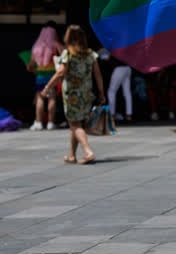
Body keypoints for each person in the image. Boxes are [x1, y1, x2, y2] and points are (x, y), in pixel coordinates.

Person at [41, 25, 105, 165]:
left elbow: (60, 73)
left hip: (72, 95)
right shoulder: (90, 54)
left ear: (68, 37)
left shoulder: (68, 54)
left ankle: (88, 152)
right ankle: (71, 155)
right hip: (87, 94)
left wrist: (47, 87)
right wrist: (101, 92)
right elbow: (98, 75)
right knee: (76, 123)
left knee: (75, 124)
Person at [26, 21, 64, 130]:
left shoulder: (36, 46)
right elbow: (64, 54)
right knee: (52, 98)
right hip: (52, 75)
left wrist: (32, 69)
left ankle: (38, 122)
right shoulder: (55, 44)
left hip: (40, 76)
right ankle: (51, 123)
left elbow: (31, 65)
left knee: (40, 98)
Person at [106, 56, 133, 122]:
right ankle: (129, 115)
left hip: (119, 68)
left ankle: (112, 114)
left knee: (111, 91)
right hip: (128, 67)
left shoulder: (114, 50)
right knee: (127, 92)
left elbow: (106, 58)